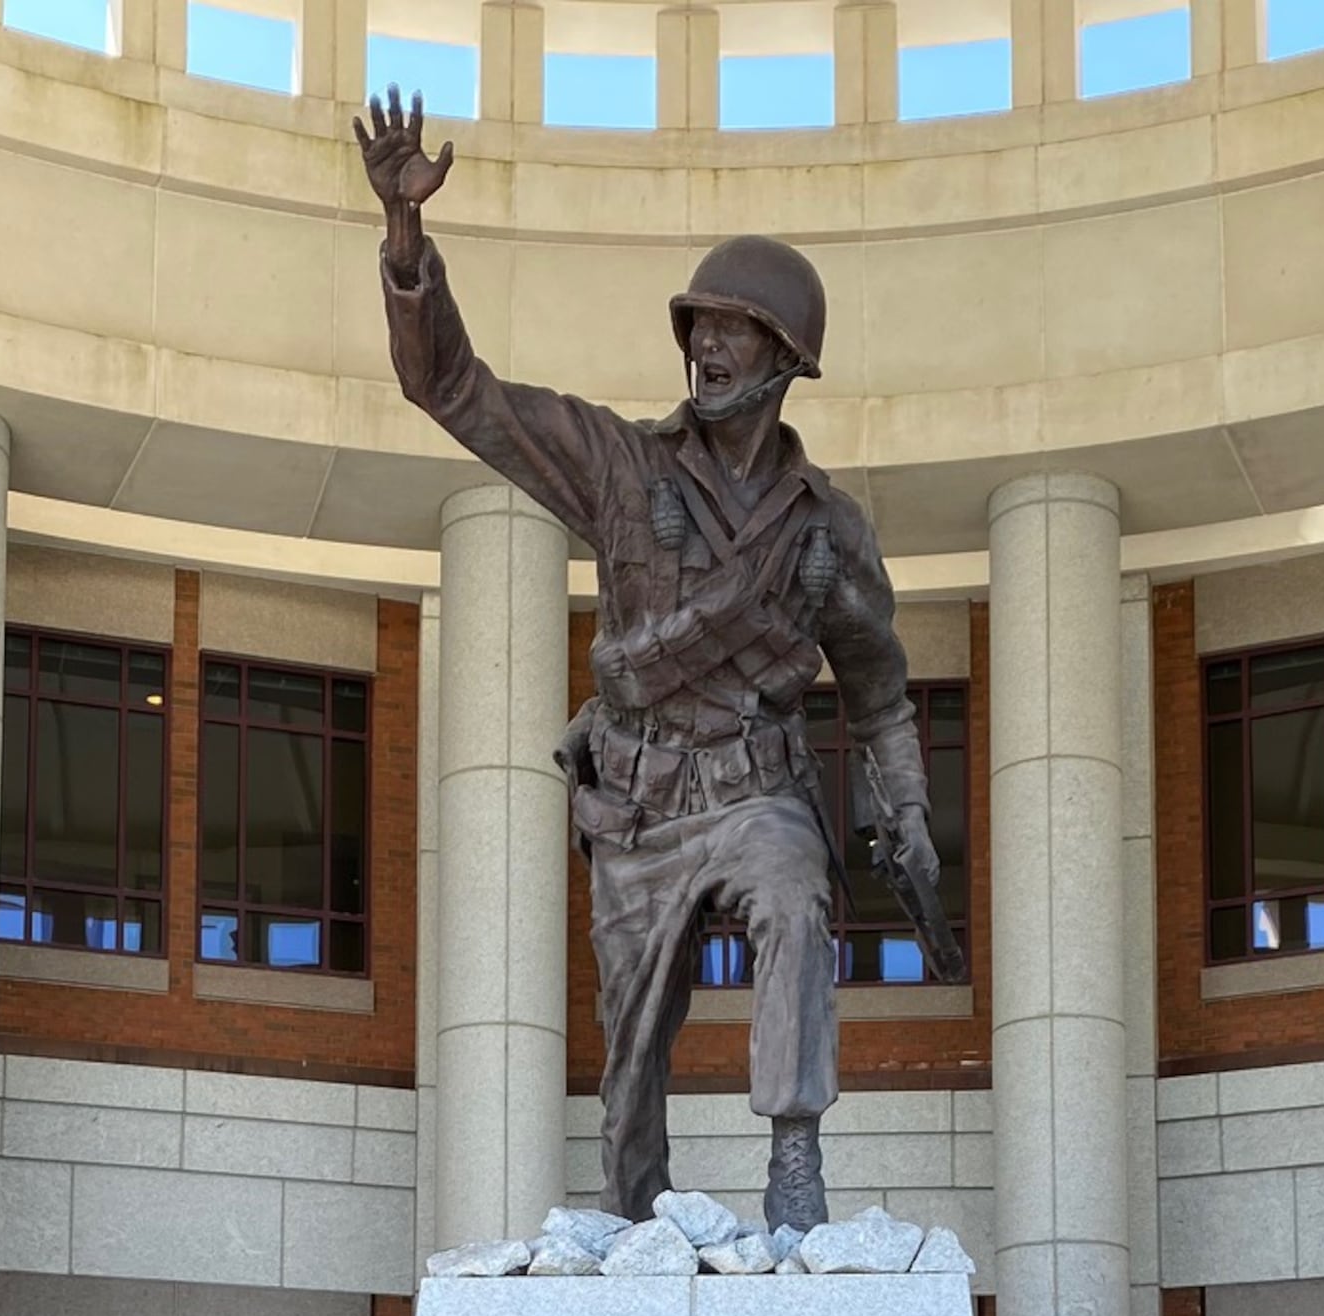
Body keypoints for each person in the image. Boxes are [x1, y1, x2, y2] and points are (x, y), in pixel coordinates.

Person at [360, 96, 942, 1228]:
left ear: (787, 358)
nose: (706, 348)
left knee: (794, 894)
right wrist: (404, 237)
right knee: (629, 1075)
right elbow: (454, 391)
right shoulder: (619, 465)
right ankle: (634, 1221)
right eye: (698, 328)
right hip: (637, 806)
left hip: (756, 791)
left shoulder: (829, 531)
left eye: (734, 331)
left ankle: (794, 1162)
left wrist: (909, 809)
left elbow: (877, 694)